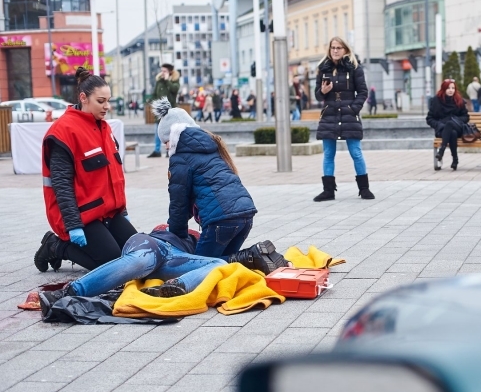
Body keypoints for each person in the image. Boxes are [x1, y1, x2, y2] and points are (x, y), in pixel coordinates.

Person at [37, 229, 289, 315]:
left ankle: (176, 287)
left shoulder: (196, 241)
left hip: (175, 261)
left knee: (220, 266)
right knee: (140, 263)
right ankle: (68, 293)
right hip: (151, 244)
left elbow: (215, 257)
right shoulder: (166, 229)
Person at [34, 67, 138, 273]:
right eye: (101, 101)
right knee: (112, 264)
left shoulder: (105, 129)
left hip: (107, 211)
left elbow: (113, 177)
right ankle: (55, 246)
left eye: (108, 100)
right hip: (80, 215)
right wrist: (73, 225)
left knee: (135, 253)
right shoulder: (63, 132)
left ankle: (94, 240)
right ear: (83, 98)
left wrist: (122, 211)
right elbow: (61, 185)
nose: (107, 106)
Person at [152, 98, 258, 258]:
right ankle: (255, 257)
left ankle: (254, 257)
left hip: (221, 221)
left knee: (200, 267)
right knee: (225, 266)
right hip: (245, 215)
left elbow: (178, 203)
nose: (166, 147)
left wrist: (175, 236)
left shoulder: (180, 158)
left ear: (173, 136)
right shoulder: (211, 146)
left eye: (166, 141)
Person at [312, 36, 374, 201]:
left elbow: (363, 92)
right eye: (333, 47)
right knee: (328, 154)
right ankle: (328, 191)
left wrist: (353, 109)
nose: (335, 51)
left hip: (349, 115)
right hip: (329, 114)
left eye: (339, 48)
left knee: (356, 152)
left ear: (345, 49)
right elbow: (317, 95)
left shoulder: (354, 68)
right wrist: (323, 92)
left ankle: (364, 188)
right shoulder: (323, 68)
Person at [427, 79, 469, 171]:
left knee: (451, 125)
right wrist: (438, 124)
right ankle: (455, 159)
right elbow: (429, 119)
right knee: (452, 133)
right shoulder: (436, 101)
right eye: (448, 88)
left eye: (453, 88)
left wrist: (456, 120)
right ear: (443, 89)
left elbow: (466, 117)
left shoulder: (459, 100)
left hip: (458, 127)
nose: (451, 90)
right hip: (442, 129)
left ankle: (442, 150)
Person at [149, 63, 180, 158]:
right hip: (160, 111)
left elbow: (175, 90)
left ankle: (169, 150)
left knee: (171, 131)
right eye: (161, 71)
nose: (162, 73)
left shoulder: (174, 81)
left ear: (170, 72)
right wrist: (153, 103)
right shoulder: (159, 81)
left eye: (165, 71)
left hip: (170, 110)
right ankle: (157, 150)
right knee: (157, 130)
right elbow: (155, 93)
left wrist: (167, 81)